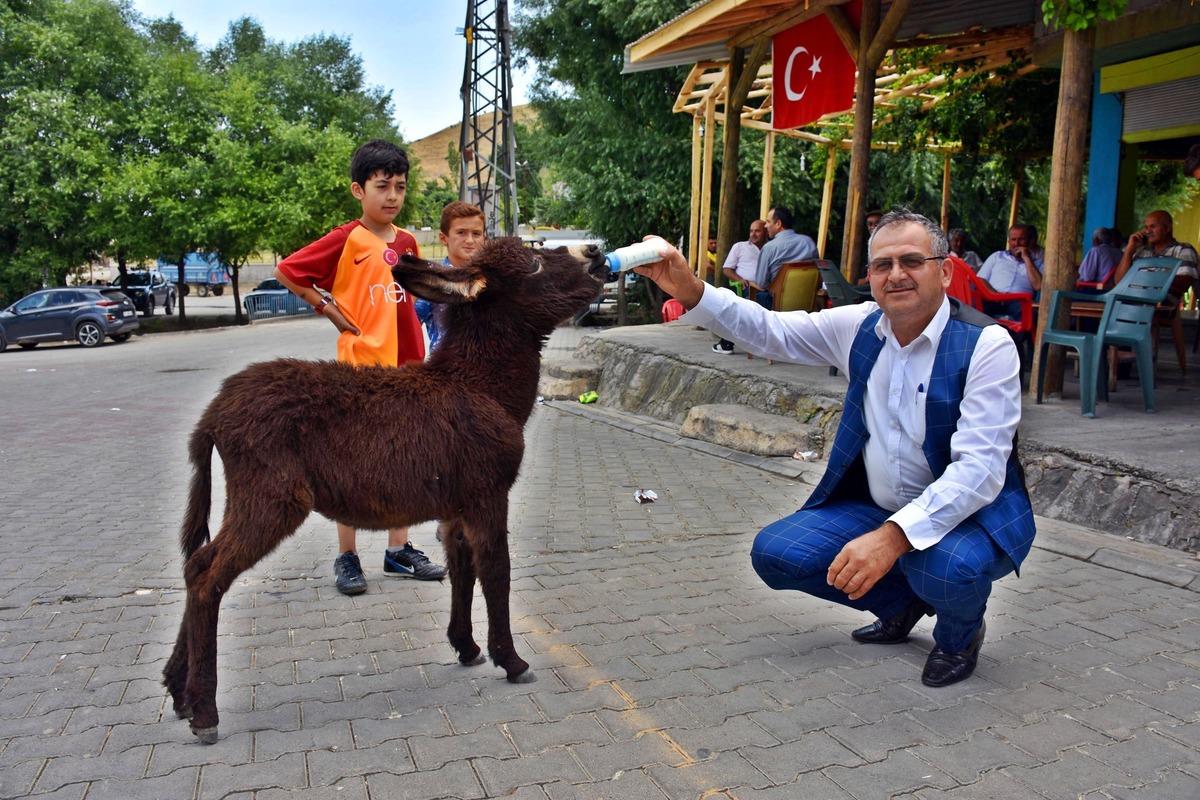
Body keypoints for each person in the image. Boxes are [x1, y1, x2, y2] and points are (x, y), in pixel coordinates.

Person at [634, 209, 1033, 687]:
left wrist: (892, 539)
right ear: (870, 276)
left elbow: (979, 472)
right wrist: (691, 289)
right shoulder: (861, 325)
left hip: (971, 515)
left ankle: (959, 635)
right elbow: (769, 329)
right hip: (880, 505)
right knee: (778, 553)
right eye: (883, 265)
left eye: (912, 261)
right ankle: (899, 605)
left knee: (943, 568)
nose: (897, 274)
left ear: (944, 270)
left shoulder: (987, 345)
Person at [274, 139, 446, 596]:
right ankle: (347, 557)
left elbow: (426, 289)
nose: (392, 196)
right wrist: (324, 306)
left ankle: (399, 551)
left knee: (406, 461)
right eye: (382, 186)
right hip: (361, 372)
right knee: (352, 465)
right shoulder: (345, 238)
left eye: (400, 187)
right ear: (359, 190)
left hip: (408, 370)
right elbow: (288, 270)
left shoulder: (408, 242)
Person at [416, 201, 486, 350]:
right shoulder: (432, 281)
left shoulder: (495, 281)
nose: (470, 240)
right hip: (446, 370)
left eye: (476, 234)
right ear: (443, 238)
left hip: (491, 370)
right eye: (461, 233)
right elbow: (406, 326)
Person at [713, 219, 768, 354]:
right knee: (737, 308)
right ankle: (726, 343)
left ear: (766, 232)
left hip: (767, 289)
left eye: (757, 231)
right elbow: (727, 269)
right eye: (751, 231)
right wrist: (740, 279)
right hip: (745, 287)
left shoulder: (771, 248)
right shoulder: (740, 247)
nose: (753, 234)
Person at [751, 206, 817, 309]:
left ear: (778, 224)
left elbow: (761, 283)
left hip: (777, 309)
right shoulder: (808, 242)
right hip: (806, 307)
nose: (765, 226)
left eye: (768, 222)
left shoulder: (769, 248)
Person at [977, 224, 1044, 319]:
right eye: (1013, 239)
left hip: (1019, 302)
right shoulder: (997, 256)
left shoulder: (1037, 263)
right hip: (993, 298)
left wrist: (1026, 258)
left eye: (1021, 239)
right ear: (1009, 241)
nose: (1017, 243)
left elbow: (1038, 285)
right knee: (972, 309)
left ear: (1029, 241)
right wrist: (995, 295)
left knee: (1028, 315)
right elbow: (980, 279)